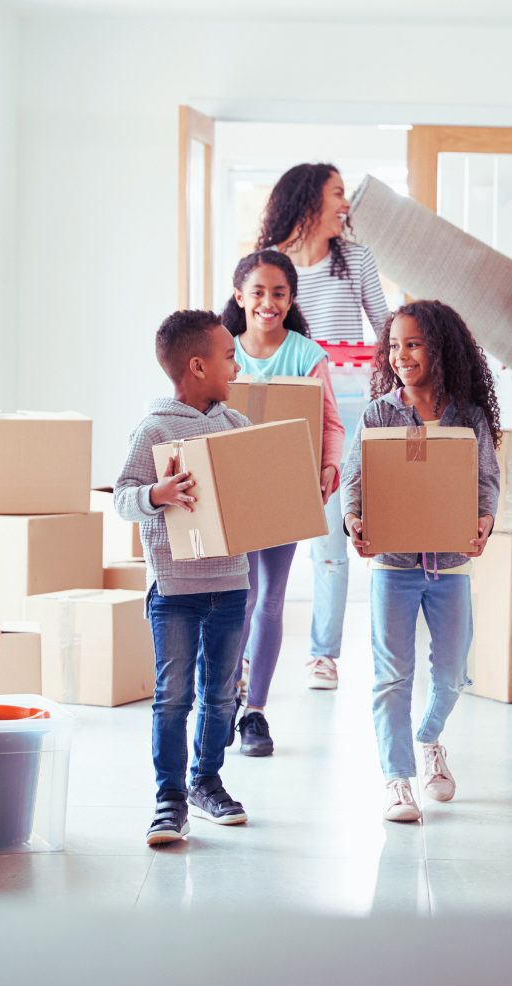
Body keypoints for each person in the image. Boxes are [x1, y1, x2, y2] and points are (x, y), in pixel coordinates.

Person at [340, 300, 500, 823]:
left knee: (453, 675)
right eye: (393, 346)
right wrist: (353, 520)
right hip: (392, 564)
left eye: (413, 344)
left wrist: (484, 520)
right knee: (392, 677)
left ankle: (429, 738)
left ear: (441, 348)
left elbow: (486, 484)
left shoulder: (468, 417)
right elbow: (355, 479)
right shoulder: (378, 414)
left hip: (450, 564)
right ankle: (397, 779)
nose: (400, 356)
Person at [114, 309, 250, 846]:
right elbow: (123, 496)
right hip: (175, 591)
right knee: (174, 695)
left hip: (232, 582)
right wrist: (157, 495)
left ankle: (206, 782)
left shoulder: (236, 426)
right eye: (228, 356)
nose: (236, 364)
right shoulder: (155, 429)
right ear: (198, 366)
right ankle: (169, 798)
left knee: (221, 695)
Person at [258, 162, 391, 691]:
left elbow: (386, 330)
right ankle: (249, 653)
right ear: (309, 199)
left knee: (331, 534)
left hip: (350, 406)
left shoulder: (355, 260)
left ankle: (323, 655)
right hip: (288, 406)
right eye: (337, 193)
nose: (346, 204)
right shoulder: (272, 269)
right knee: (265, 528)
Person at [221, 250, 345, 756]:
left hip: (286, 489)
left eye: (279, 293)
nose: (268, 303)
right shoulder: (221, 349)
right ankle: (225, 698)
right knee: (238, 599)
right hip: (232, 490)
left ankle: (256, 713)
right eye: (258, 292)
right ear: (239, 297)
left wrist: (328, 471)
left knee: (270, 598)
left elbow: (331, 423)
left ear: (291, 299)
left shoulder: (306, 355)